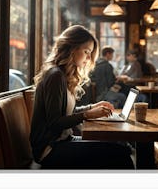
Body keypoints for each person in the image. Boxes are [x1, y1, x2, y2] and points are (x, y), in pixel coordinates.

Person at [30, 25, 134, 169]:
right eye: (86, 51)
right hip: (49, 150)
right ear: (71, 48)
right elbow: (54, 123)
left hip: (63, 141)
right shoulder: (55, 76)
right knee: (121, 153)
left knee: (119, 145)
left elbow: (67, 114)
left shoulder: (62, 75)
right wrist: (87, 114)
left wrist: (93, 107)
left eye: (90, 53)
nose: (89, 58)